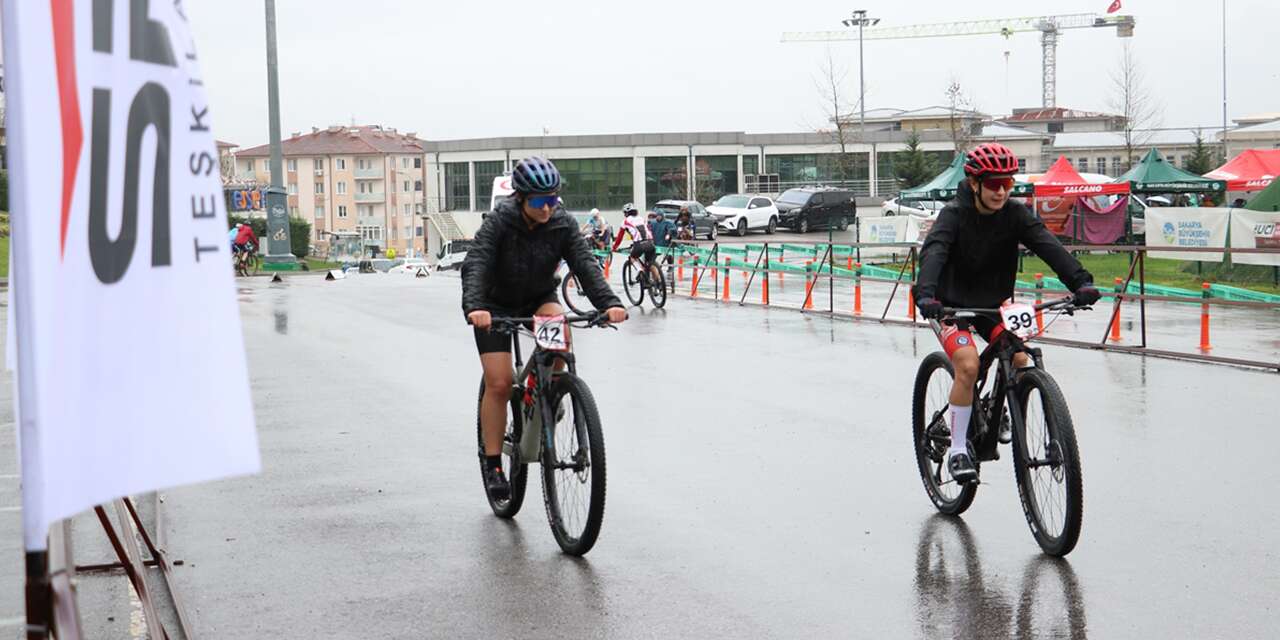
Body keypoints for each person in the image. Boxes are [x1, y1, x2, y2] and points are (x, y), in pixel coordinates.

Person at [912, 142, 1102, 485]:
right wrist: (926, 294)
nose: (1002, 191)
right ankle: (957, 449)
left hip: (992, 305)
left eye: (1008, 184)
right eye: (994, 184)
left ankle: (995, 406)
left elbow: (1047, 245)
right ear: (974, 183)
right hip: (949, 305)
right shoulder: (953, 215)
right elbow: (935, 253)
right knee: (968, 365)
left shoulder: (1015, 214)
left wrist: (1080, 282)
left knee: (1017, 358)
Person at [462, 156, 627, 501]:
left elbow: (583, 262)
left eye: (553, 199)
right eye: (539, 201)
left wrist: (608, 303)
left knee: (559, 340)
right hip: (494, 306)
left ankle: (550, 392)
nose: (548, 208)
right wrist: (476, 307)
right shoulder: (499, 223)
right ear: (521, 198)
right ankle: (493, 463)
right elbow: (476, 262)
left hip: (538, 296)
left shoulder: (562, 223)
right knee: (500, 383)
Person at [612, 203, 659, 282]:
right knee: (650, 264)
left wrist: (614, 247)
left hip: (639, 244)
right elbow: (648, 231)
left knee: (632, 257)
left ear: (626, 213)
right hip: (650, 242)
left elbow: (620, 237)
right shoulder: (641, 218)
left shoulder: (625, 221)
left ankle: (640, 270)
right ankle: (659, 283)